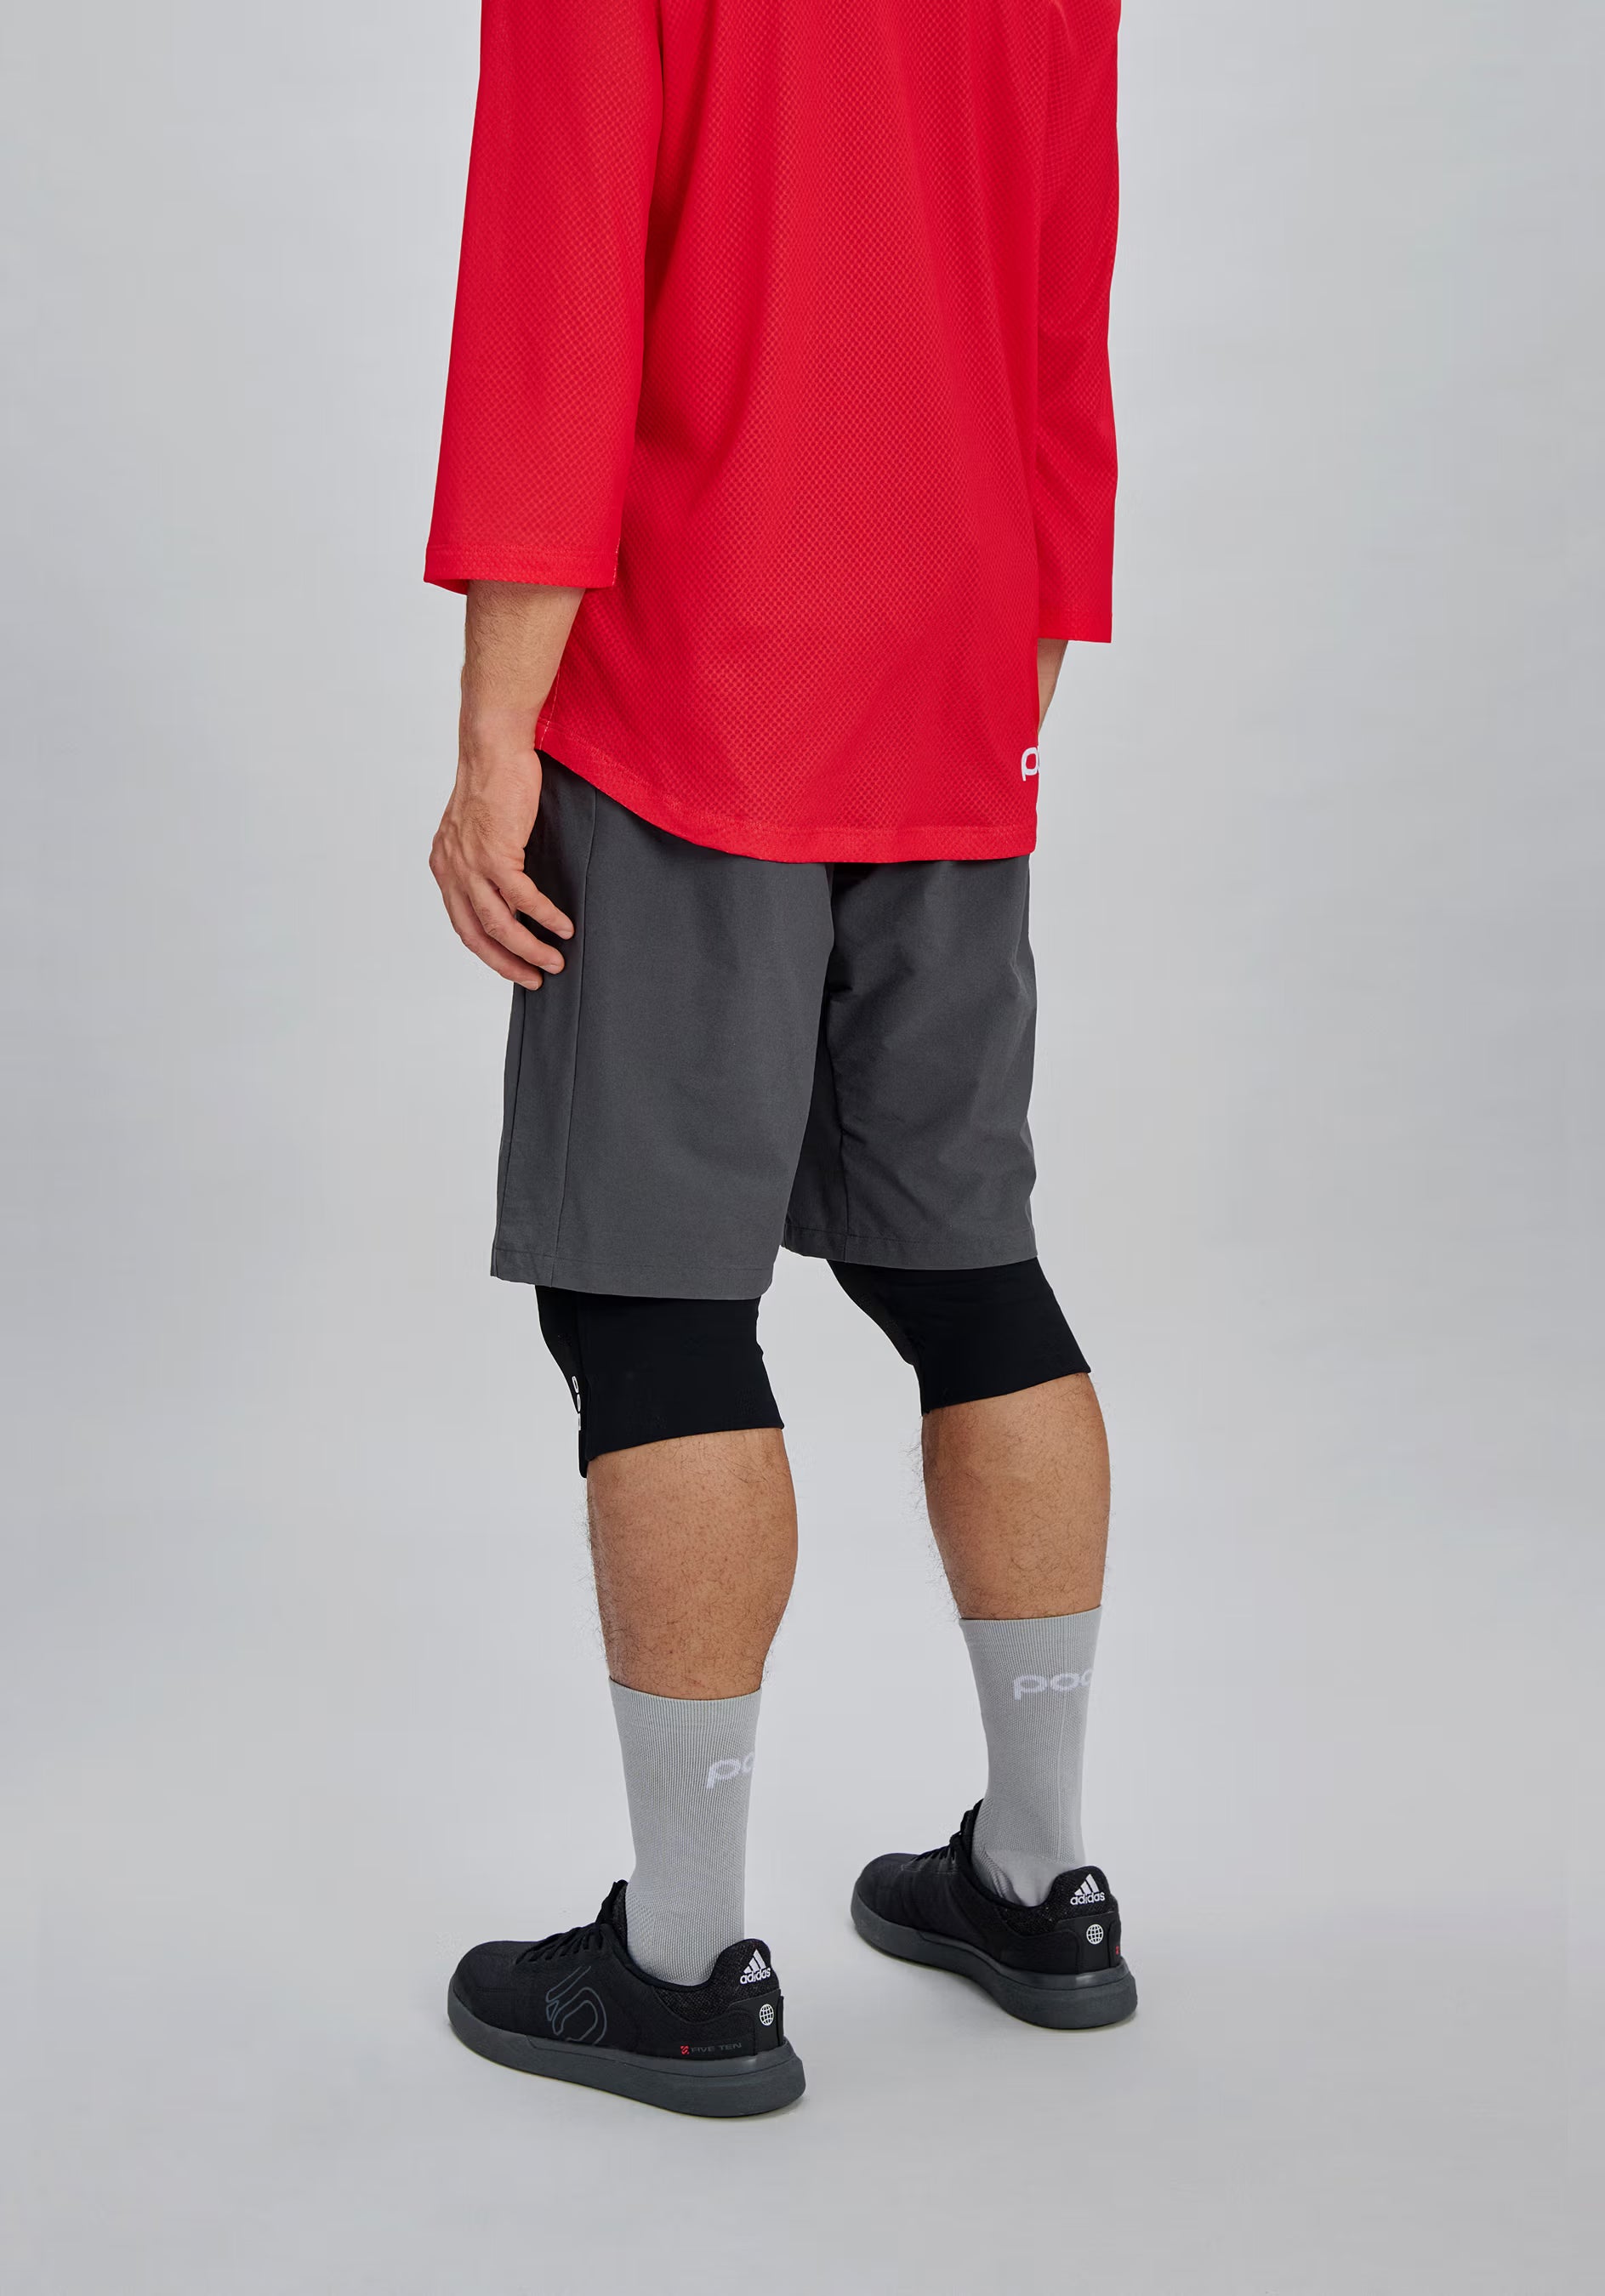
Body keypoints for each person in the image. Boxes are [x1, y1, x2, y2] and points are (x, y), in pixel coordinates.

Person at [424, 0, 1128, 2117]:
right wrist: (1004, 671)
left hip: (688, 686)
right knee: (963, 1268)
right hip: (953, 667)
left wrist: (495, 732)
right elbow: (1057, 299)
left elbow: (554, 303)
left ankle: (680, 1970)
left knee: (648, 1304)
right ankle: (1039, 1883)